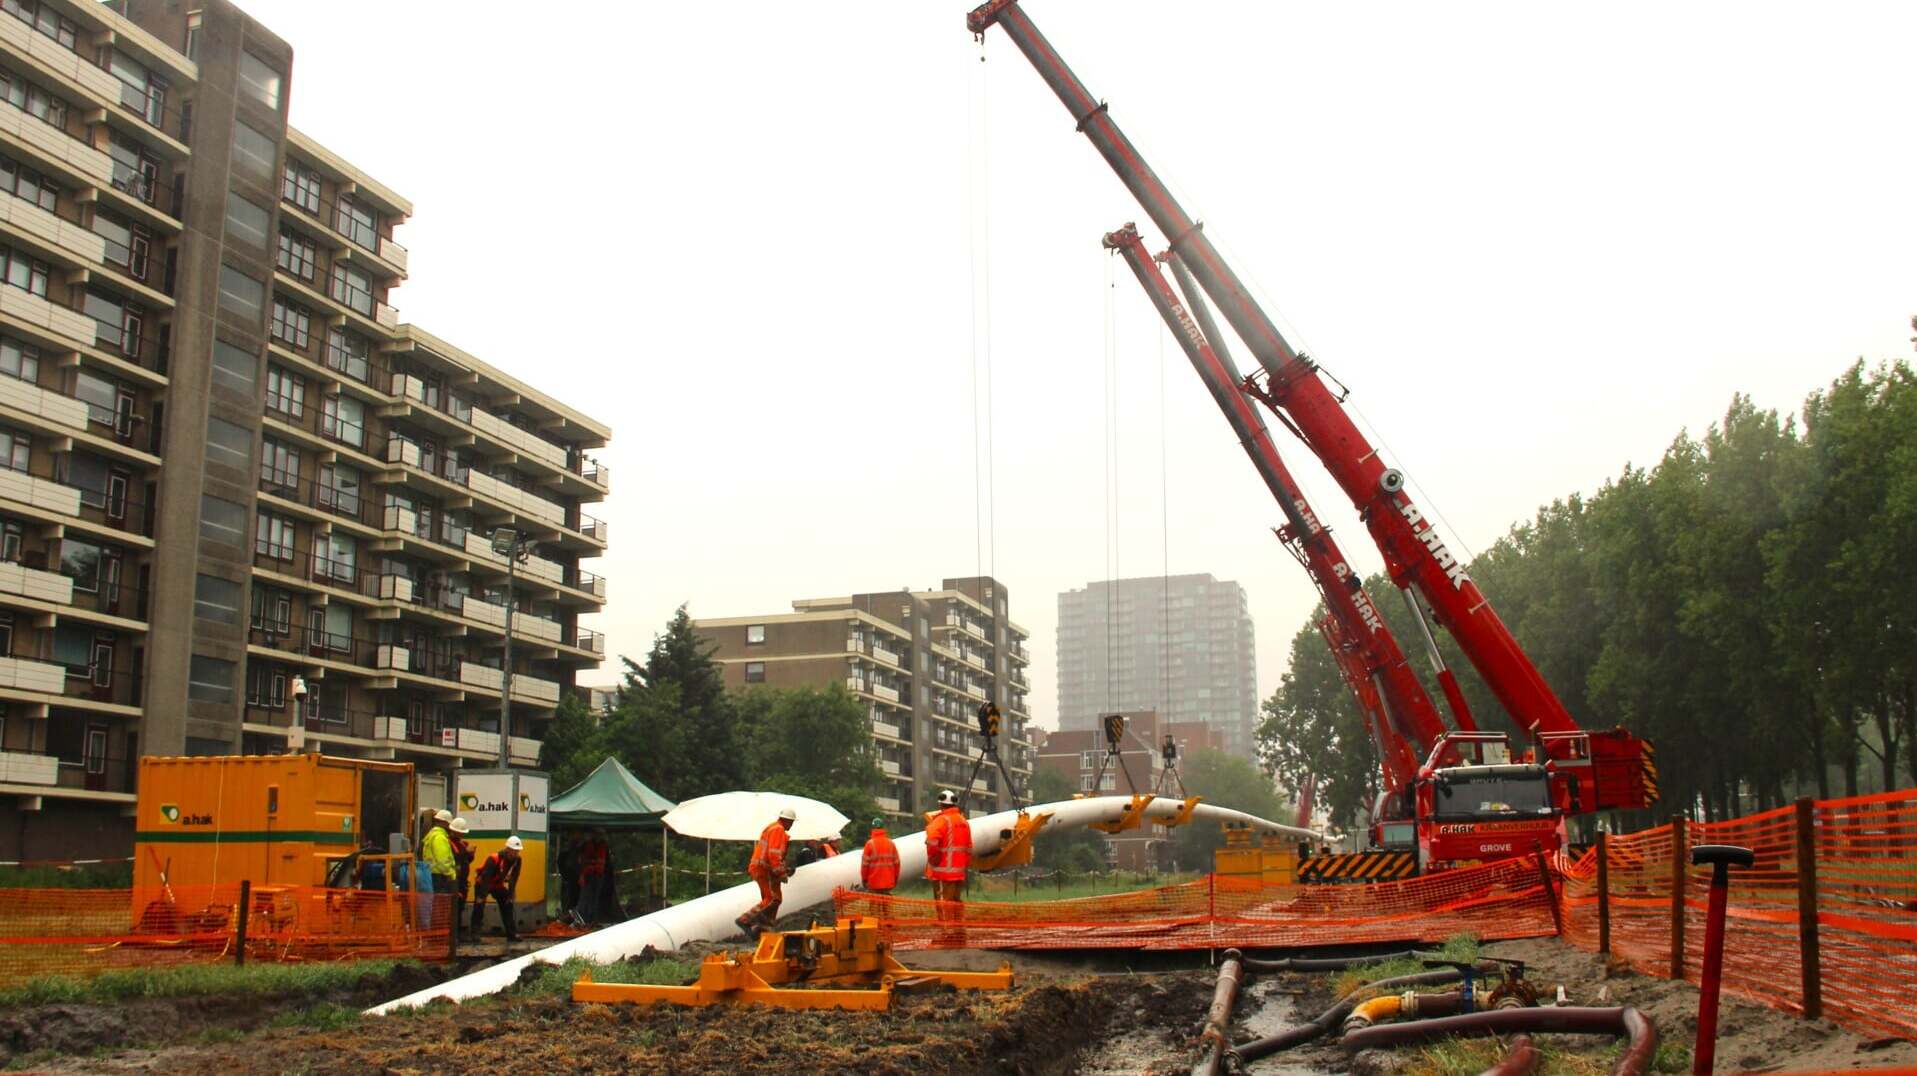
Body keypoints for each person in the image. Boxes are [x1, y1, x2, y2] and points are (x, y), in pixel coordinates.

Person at [735, 806, 795, 938]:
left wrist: (784, 868)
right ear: (786, 820)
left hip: (765, 869)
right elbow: (773, 854)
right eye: (792, 822)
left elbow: (776, 855)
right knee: (772, 898)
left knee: (776, 899)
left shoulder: (774, 829)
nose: (792, 825)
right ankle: (745, 920)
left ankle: (764, 928)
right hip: (763, 869)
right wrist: (781, 873)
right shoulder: (778, 830)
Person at [924, 789, 972, 942]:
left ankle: (947, 934)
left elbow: (932, 841)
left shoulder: (940, 821)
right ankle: (959, 932)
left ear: (941, 804)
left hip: (943, 873)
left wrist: (934, 860)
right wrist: (963, 865)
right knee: (956, 903)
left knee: (944, 904)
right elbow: (969, 848)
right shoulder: (964, 822)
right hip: (959, 872)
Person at [471, 835, 524, 944]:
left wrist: (511, 894)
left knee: (507, 904)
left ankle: (511, 933)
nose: (515, 854)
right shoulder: (494, 859)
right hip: (483, 884)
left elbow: (514, 878)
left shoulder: (517, 860)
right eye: (514, 851)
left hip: (497, 885)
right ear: (507, 849)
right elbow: (485, 878)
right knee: (479, 906)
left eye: (517, 851)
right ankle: (475, 933)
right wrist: (481, 896)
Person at [420, 809, 456, 932]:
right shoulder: (440, 837)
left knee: (435, 906)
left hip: (432, 875)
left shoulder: (431, 836)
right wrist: (451, 874)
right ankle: (439, 934)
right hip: (440, 876)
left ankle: (435, 933)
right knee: (441, 907)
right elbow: (443, 860)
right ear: (444, 823)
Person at [574, 829, 611, 926]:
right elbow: (581, 860)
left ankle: (591, 920)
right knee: (585, 897)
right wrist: (582, 875)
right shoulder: (587, 845)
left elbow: (606, 861)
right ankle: (582, 919)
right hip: (588, 874)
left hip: (598, 874)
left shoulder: (603, 845)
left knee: (594, 898)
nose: (599, 836)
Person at [449, 817, 475, 942]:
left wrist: (470, 855)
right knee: (455, 908)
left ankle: (457, 934)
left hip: (463, 881)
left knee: (460, 908)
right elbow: (453, 859)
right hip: (455, 880)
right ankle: (454, 936)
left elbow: (466, 861)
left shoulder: (462, 844)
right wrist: (466, 852)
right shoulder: (449, 843)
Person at [859, 818, 899, 895]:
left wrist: (864, 879)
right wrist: (895, 878)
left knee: (874, 906)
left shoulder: (869, 844)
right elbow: (897, 863)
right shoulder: (891, 843)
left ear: (873, 828)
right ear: (883, 828)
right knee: (886, 905)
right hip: (888, 882)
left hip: (874, 882)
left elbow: (864, 865)